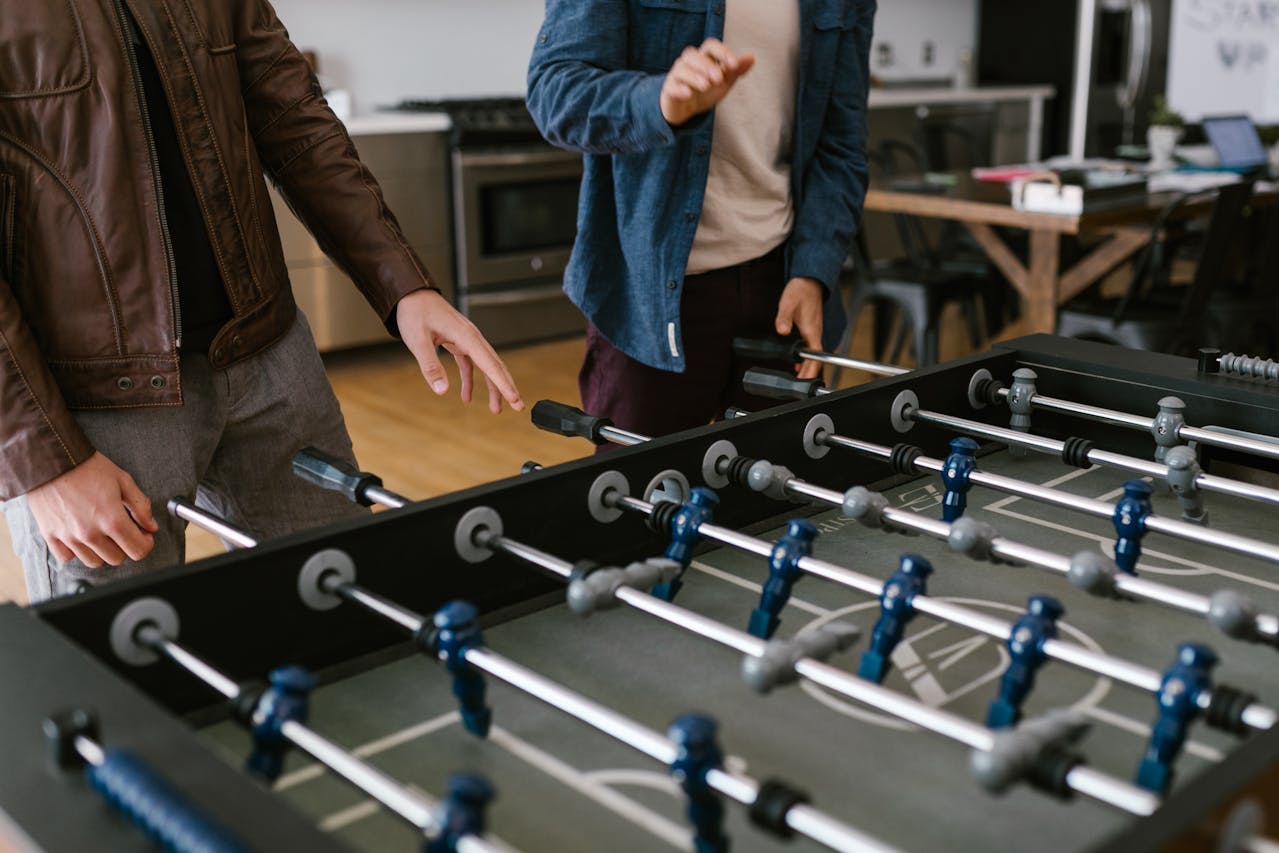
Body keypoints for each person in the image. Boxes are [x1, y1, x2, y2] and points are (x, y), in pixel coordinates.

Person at [0, 0, 522, 602]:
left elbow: (293, 115)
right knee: (125, 672)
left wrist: (404, 284)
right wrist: (43, 462)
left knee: (345, 620)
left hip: (272, 360)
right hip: (89, 405)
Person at [527, 0, 874, 439]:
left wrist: (814, 270)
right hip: (647, 295)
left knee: (770, 497)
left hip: (782, 283)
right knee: (642, 497)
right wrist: (660, 102)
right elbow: (555, 92)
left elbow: (841, 143)